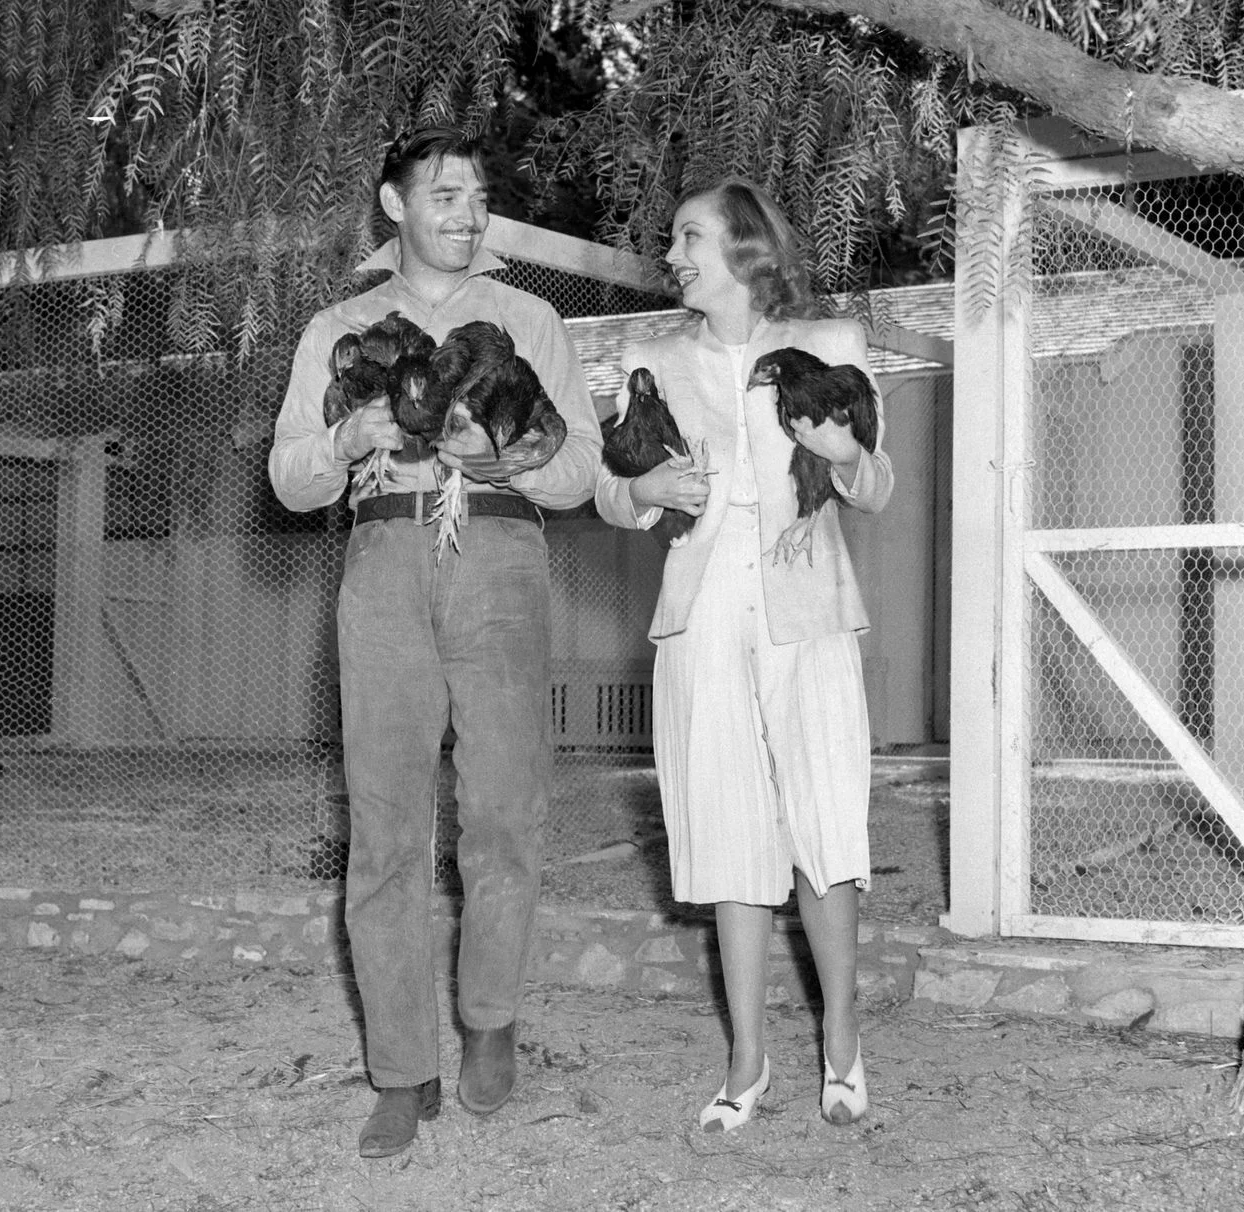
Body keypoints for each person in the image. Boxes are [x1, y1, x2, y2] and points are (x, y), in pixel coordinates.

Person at [269, 127, 601, 1159]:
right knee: (384, 828)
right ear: (395, 204)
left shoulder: (530, 320)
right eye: (446, 195)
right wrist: (345, 439)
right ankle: (401, 1072)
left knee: (504, 808)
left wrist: (509, 457)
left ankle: (490, 1021)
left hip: (498, 554)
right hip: (382, 559)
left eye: (478, 196)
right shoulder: (339, 327)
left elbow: (581, 471)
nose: (468, 213)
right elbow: (289, 479)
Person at [595, 178, 894, 1132]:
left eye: (690, 236)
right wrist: (650, 493)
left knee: (825, 822)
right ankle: (746, 1062)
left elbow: (877, 485)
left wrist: (842, 452)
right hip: (704, 611)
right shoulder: (649, 361)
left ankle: (841, 1043)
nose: (672, 254)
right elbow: (612, 493)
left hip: (808, 608)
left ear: (745, 248)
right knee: (728, 832)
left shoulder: (833, 344)